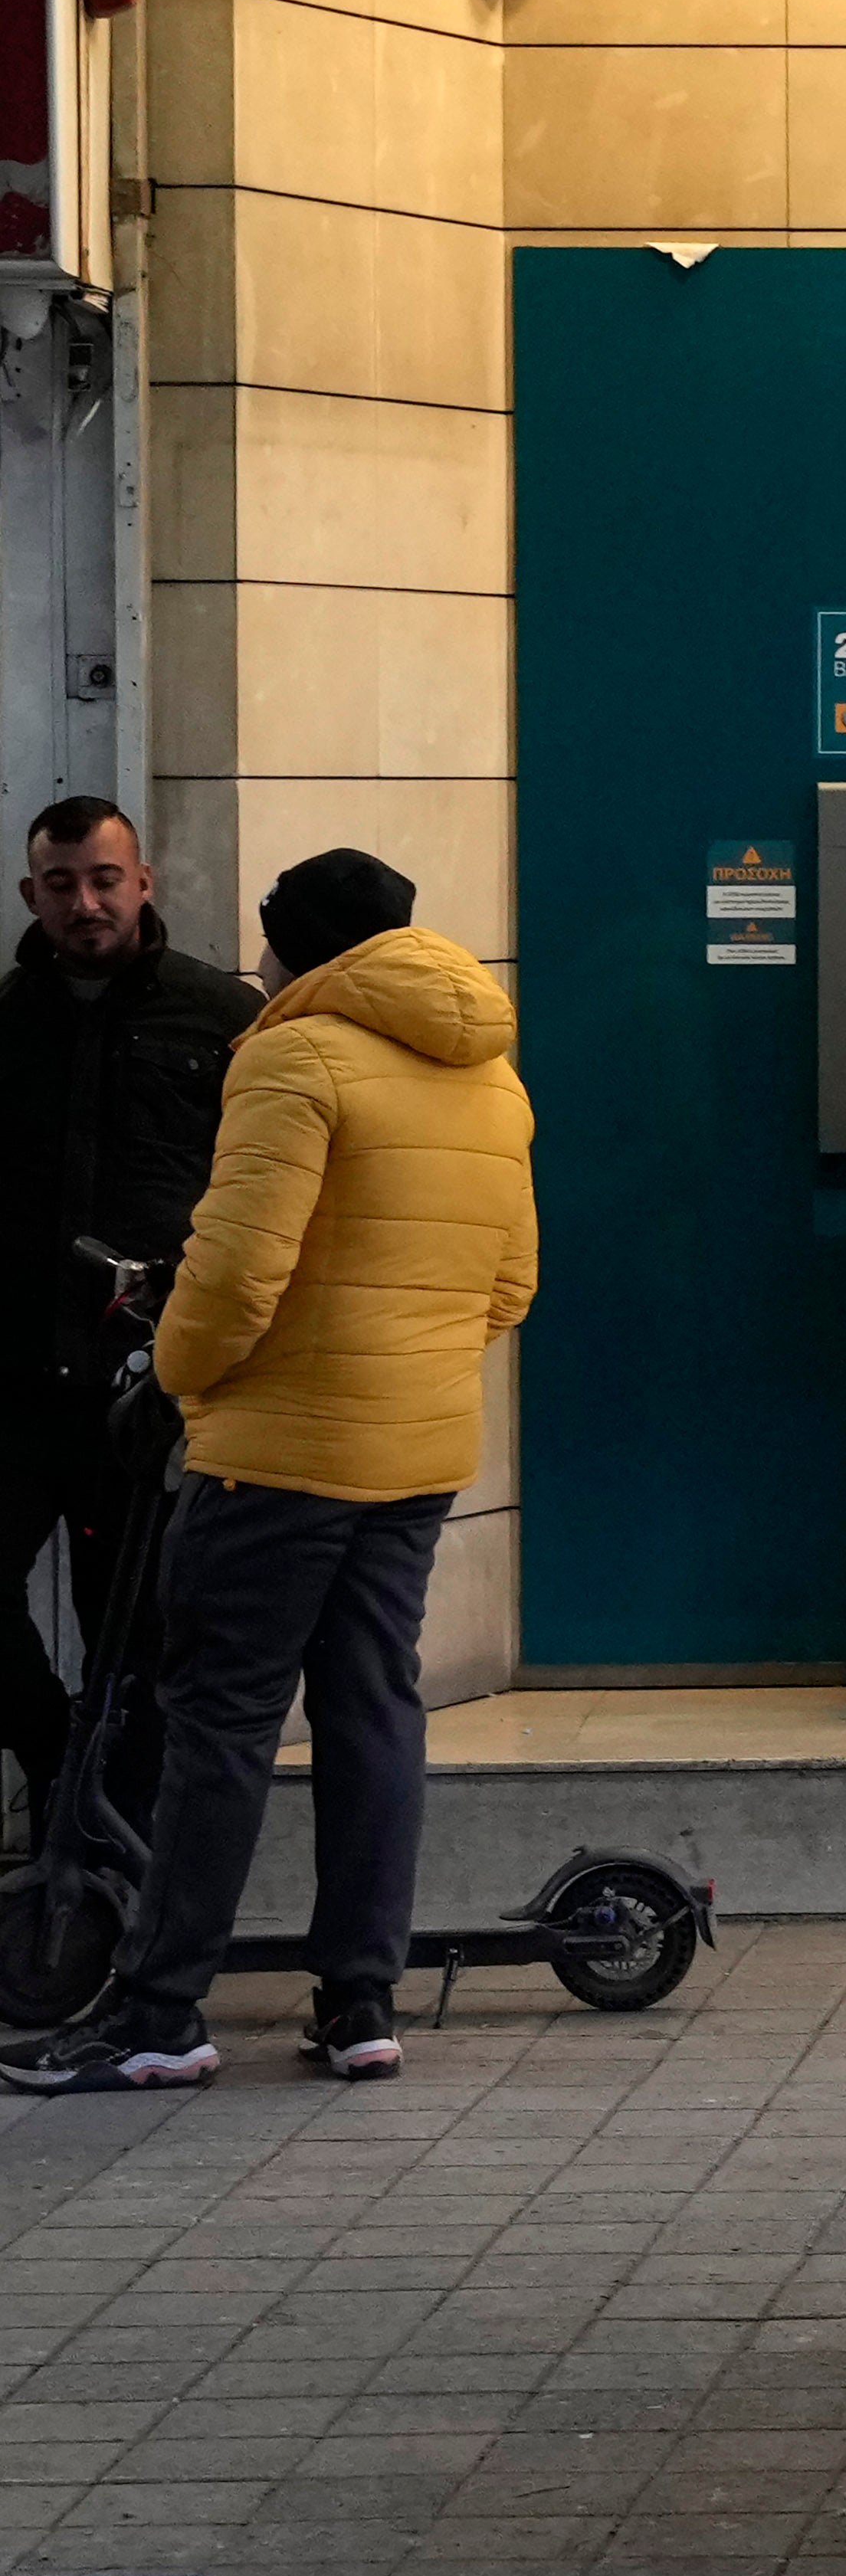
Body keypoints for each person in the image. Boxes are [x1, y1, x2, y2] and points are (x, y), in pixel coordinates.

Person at [2, 849, 536, 2093]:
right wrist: (403, 1367)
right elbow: (511, 1283)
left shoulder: (294, 1055)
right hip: (416, 1452)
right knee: (373, 1709)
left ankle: (160, 2013)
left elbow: (237, 1270)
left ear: (298, 946)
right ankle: (360, 2003)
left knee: (221, 1721)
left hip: (279, 1457)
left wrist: (179, 1375)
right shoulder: (487, 1070)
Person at [0, 798, 256, 1810]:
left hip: (150, 1392)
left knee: (143, 1634)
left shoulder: (223, 1018)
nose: (86, 903)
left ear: (144, 884)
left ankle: (119, 1847)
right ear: (32, 894)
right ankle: (60, 1769)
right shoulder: (8, 1020)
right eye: (62, 884)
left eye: (105, 879)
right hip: (18, 1383)